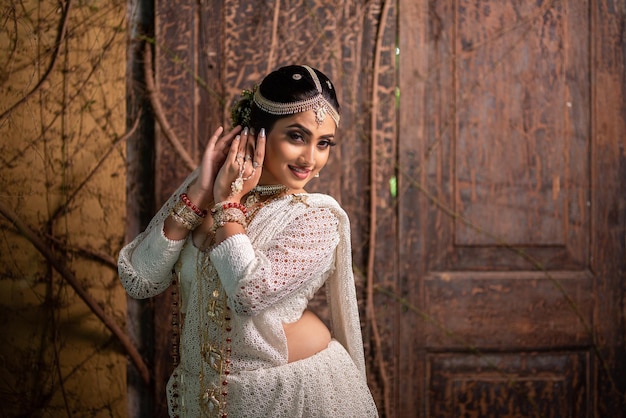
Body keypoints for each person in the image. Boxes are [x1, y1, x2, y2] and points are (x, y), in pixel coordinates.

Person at [118, 64, 378, 417]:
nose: (310, 159)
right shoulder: (206, 192)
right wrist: (199, 191)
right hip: (207, 400)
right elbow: (138, 280)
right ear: (258, 133)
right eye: (297, 136)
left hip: (295, 398)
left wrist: (228, 204)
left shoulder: (317, 218)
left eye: (324, 143)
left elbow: (248, 293)